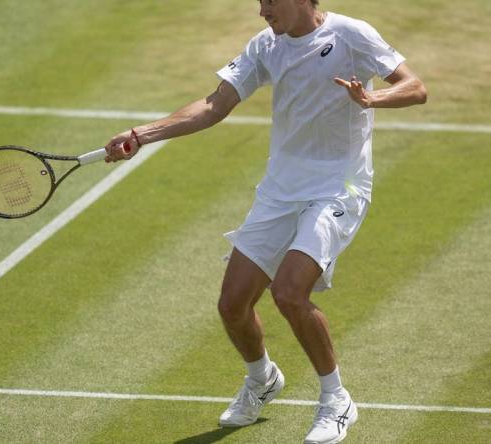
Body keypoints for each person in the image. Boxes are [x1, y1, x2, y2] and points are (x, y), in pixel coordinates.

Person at [104, 0, 426, 442]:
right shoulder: (265, 46)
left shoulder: (351, 34)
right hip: (281, 189)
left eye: (269, 1)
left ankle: (336, 400)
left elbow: (415, 87)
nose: (262, 11)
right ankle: (262, 380)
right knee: (233, 305)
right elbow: (214, 106)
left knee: (290, 292)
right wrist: (142, 134)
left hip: (340, 185)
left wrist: (372, 97)